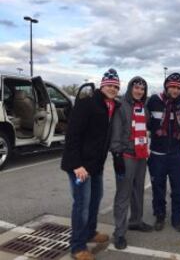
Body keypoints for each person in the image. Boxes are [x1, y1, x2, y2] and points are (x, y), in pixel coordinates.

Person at [61, 69, 120, 260]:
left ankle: (90, 232)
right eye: (109, 85)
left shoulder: (112, 106)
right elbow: (72, 136)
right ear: (102, 85)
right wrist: (77, 165)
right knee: (82, 205)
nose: (112, 88)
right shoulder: (86, 104)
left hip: (96, 165)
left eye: (116, 86)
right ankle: (77, 247)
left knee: (96, 199)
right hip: (80, 166)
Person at [110, 76, 153, 250]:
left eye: (142, 89)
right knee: (123, 195)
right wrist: (117, 155)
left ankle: (136, 221)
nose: (139, 91)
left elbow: (147, 127)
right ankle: (119, 233)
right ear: (130, 88)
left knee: (138, 191)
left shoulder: (143, 107)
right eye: (136, 88)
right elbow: (116, 133)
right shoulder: (121, 107)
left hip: (141, 155)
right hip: (126, 155)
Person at [147, 72, 180, 232]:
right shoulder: (154, 101)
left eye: (178, 88)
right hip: (157, 155)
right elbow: (144, 121)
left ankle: (177, 218)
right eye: (171, 87)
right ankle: (160, 216)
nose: (174, 90)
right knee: (158, 188)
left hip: (176, 155)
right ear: (166, 86)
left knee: (178, 189)